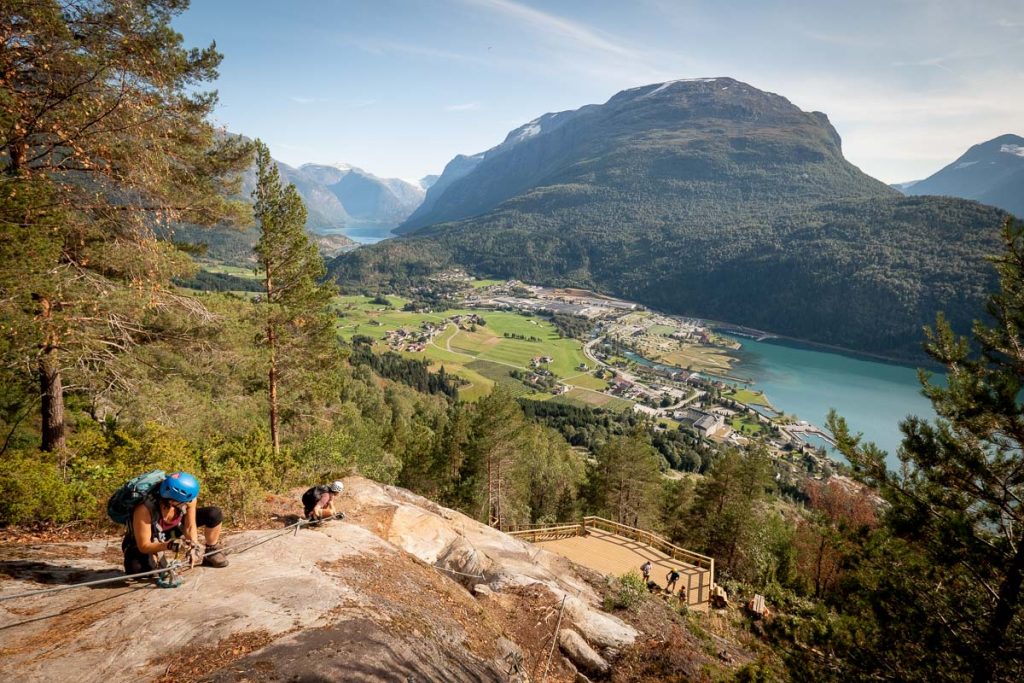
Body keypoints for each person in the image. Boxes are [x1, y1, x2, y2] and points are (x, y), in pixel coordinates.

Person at [122, 471, 228, 575]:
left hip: (173, 529)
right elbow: (144, 545)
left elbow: (190, 526)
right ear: (172, 500)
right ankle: (148, 559)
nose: (189, 503)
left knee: (214, 514)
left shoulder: (187, 498)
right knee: (138, 569)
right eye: (185, 502)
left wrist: (193, 547)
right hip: (148, 535)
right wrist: (170, 545)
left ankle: (211, 551)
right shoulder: (144, 508)